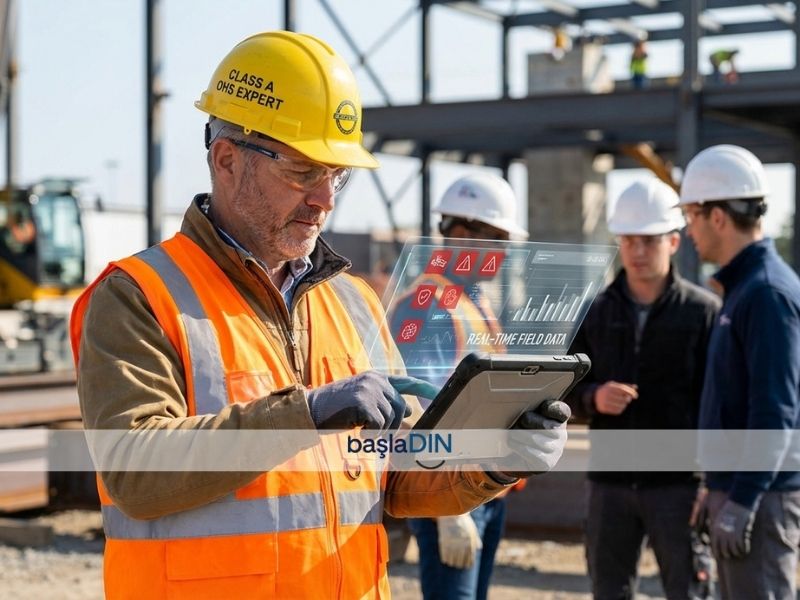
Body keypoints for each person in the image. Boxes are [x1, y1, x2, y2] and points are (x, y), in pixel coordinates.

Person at [70, 31, 570, 599]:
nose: (325, 199)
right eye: (303, 170)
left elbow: (400, 474)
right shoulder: (140, 296)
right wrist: (305, 413)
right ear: (226, 160)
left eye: (336, 174)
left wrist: (495, 461)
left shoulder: (352, 302)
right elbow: (135, 471)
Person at [565, 178, 720, 600]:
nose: (637, 251)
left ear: (673, 242)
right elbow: (561, 390)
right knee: (609, 591)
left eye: (648, 241)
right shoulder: (595, 312)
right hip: (609, 484)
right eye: (629, 240)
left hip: (679, 484)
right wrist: (593, 398)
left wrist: (710, 481)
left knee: (689, 591)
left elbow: (718, 404)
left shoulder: (703, 313)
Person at [391, 173, 530, 600]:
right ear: (462, 236)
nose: (505, 253)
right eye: (498, 240)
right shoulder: (427, 305)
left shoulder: (470, 300)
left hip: (482, 485)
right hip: (449, 492)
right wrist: (447, 513)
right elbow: (419, 407)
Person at [679, 144, 800, 600]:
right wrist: (715, 486)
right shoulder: (745, 288)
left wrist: (743, 499)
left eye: (690, 215)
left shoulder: (766, 293)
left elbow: (775, 410)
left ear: (717, 217)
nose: (687, 229)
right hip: (741, 493)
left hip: (759, 501)